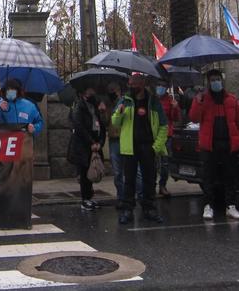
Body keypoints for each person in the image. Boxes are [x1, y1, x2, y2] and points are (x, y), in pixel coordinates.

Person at [112, 74, 167, 224]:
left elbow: (163, 125)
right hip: (130, 146)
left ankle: (149, 208)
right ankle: (127, 209)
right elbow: (115, 122)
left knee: (149, 179)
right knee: (129, 179)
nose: (131, 86)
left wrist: (157, 147)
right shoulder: (125, 100)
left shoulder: (153, 101)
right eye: (130, 83)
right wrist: (120, 111)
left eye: (134, 83)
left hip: (148, 146)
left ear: (142, 84)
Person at [190, 69, 239, 221]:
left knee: (230, 176)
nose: (216, 82)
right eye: (213, 80)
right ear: (208, 83)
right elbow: (194, 118)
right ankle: (208, 206)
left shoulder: (232, 100)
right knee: (208, 177)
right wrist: (198, 101)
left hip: (229, 143)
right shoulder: (204, 99)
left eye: (218, 79)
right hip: (210, 145)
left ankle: (231, 206)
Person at [70, 87, 106, 211]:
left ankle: (89, 197)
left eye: (92, 91)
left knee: (91, 171)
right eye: (89, 91)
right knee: (85, 172)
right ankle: (85, 199)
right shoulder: (79, 107)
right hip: (83, 145)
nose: (92, 94)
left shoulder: (95, 107)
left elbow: (102, 125)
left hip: (95, 142)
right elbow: (79, 126)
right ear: (82, 94)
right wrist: (91, 142)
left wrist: (100, 142)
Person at [156, 83, 181, 197]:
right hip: (154, 135)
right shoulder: (152, 100)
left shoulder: (170, 100)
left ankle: (162, 185)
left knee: (165, 163)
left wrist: (175, 108)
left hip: (166, 135)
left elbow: (175, 118)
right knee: (153, 163)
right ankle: (151, 185)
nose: (160, 88)